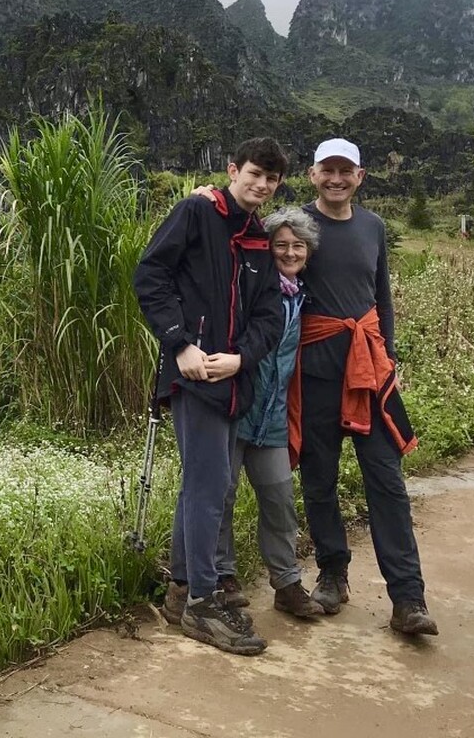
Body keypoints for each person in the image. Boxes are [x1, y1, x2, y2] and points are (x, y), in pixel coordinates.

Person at [134, 137, 288, 655]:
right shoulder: (196, 212)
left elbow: (270, 313)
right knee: (211, 484)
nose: (261, 184)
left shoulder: (259, 237)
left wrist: (243, 357)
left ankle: (182, 590)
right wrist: (179, 344)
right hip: (193, 376)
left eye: (270, 179)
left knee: (204, 485)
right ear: (232, 170)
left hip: (232, 379)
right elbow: (150, 274)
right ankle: (203, 602)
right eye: (253, 174)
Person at [295, 138, 438, 636]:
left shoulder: (373, 226)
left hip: (369, 371)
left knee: (386, 480)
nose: (336, 178)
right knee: (319, 479)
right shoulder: (296, 226)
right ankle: (333, 575)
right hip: (315, 370)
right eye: (327, 170)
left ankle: (408, 598)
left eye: (346, 171)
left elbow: (381, 297)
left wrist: (390, 356)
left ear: (360, 176)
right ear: (312, 174)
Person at [211, 205, 326, 619]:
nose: (290, 253)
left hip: (273, 418)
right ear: (267, 248)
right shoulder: (251, 290)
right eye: (281, 245)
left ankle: (287, 582)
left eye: (299, 246)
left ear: (309, 252)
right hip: (237, 410)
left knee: (279, 498)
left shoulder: (305, 298)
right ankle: (222, 576)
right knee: (220, 495)